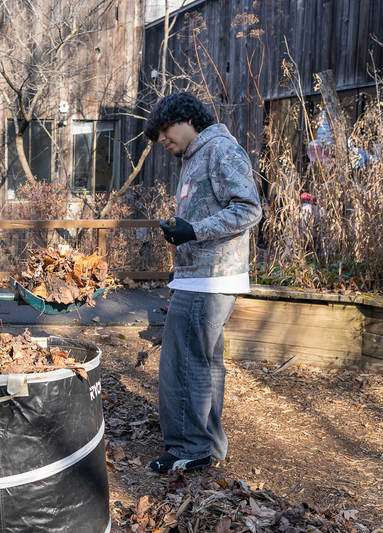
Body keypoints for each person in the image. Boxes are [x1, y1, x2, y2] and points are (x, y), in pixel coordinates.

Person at [143, 92, 262, 473]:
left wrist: (194, 231)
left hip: (209, 280)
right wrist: (185, 230)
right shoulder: (197, 155)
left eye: (164, 130)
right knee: (205, 365)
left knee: (183, 365)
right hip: (200, 278)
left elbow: (249, 208)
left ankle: (189, 448)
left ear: (186, 119)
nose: (161, 140)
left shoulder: (219, 149)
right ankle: (208, 445)